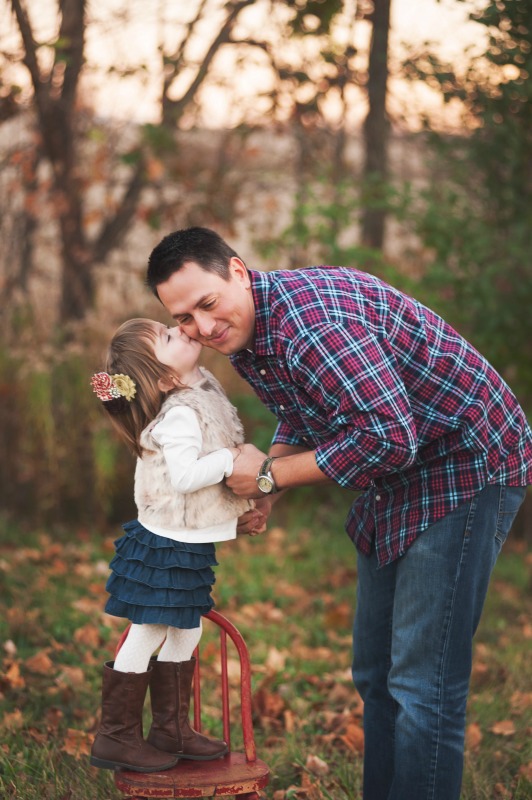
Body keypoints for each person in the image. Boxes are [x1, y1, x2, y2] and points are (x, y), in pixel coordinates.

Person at [145, 226, 532, 800]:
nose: (202, 327)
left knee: (422, 683)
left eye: (207, 303)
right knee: (376, 673)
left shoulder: (313, 328)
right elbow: (307, 413)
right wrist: (267, 491)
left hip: (465, 463)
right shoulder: (248, 333)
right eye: (184, 319)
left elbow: (387, 437)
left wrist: (272, 473)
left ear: (237, 270)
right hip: (400, 470)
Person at [89, 317, 255, 773]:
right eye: (167, 337)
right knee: (151, 629)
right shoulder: (180, 414)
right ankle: (116, 735)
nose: (180, 330)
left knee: (188, 627)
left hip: (184, 542)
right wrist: (231, 460)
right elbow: (184, 479)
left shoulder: (196, 394)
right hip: (166, 546)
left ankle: (171, 728)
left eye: (168, 326)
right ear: (164, 378)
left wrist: (235, 518)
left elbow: (200, 494)